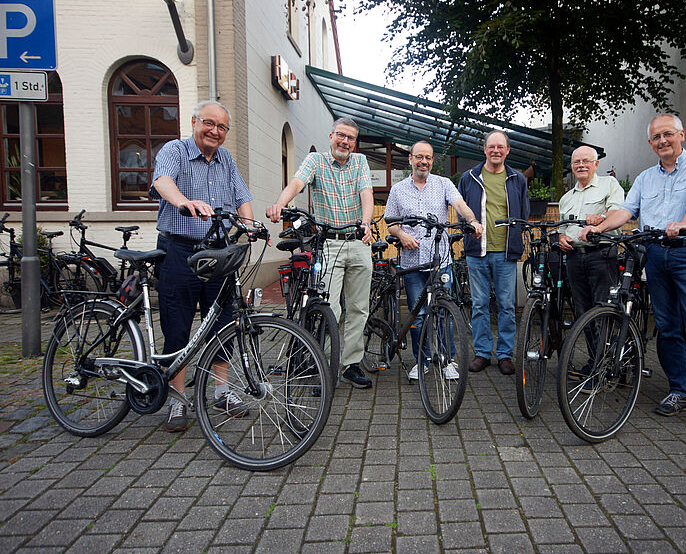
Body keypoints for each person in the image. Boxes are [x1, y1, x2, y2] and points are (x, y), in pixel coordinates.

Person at [580, 114, 686, 436]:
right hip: (655, 255)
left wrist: (685, 222)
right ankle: (679, 392)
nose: (662, 141)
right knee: (667, 328)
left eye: (668, 134)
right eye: (656, 137)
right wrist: (599, 226)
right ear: (651, 143)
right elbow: (627, 211)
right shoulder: (644, 178)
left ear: (682, 134)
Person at [151, 100, 254, 432]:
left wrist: (250, 227)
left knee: (222, 323)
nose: (215, 131)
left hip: (218, 251)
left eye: (222, 127)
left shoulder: (225, 159)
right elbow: (162, 182)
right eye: (209, 123)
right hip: (179, 250)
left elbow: (242, 197)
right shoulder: (175, 151)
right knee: (178, 325)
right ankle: (177, 400)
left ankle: (222, 392)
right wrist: (184, 201)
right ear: (194, 121)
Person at [266, 118, 375, 388]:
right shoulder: (315, 160)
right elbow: (297, 182)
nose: (345, 142)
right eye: (341, 135)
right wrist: (280, 203)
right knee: (331, 308)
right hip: (329, 243)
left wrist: (366, 222)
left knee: (360, 308)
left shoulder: (360, 162)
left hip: (358, 240)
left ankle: (350, 364)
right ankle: (328, 362)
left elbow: (366, 193)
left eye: (350, 138)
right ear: (331, 136)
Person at [384, 141, 483, 379]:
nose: (424, 162)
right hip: (412, 262)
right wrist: (402, 234)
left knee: (444, 311)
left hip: (440, 259)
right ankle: (422, 360)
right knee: (418, 314)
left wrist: (472, 221)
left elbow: (460, 206)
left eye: (428, 158)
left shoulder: (444, 184)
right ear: (410, 159)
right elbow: (390, 222)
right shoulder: (398, 190)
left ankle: (447, 359)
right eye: (419, 157)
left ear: (432, 160)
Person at [458, 130, 529, 375]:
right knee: (478, 304)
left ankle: (505, 354)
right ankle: (482, 353)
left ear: (507, 150)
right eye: (491, 146)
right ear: (485, 149)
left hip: (505, 252)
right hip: (477, 251)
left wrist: (515, 238)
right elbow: (462, 209)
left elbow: (524, 213)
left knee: (507, 306)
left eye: (501, 147)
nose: (496, 151)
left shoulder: (518, 179)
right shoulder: (470, 177)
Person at [558, 146, 625, 321]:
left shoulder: (609, 184)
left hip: (601, 254)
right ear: (572, 166)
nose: (581, 165)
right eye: (576, 162)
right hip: (574, 258)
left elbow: (618, 211)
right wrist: (562, 238)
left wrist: (601, 218)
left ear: (596, 164)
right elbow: (563, 229)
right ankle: (591, 349)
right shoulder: (566, 198)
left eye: (586, 161)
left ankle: (604, 348)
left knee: (603, 308)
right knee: (582, 312)